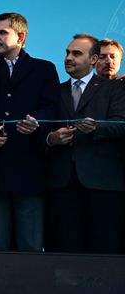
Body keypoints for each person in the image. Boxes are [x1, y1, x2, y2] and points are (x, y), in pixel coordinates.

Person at [0, 13, 59, 273]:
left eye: (2, 33)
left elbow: (51, 108)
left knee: (30, 247)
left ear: (20, 37)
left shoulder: (44, 69)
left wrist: (37, 122)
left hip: (29, 170)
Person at [46, 34, 125, 254]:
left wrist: (96, 128)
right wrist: (51, 138)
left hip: (103, 183)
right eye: (67, 53)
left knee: (104, 249)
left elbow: (121, 124)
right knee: (65, 249)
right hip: (62, 183)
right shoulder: (55, 90)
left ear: (93, 60)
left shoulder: (113, 88)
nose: (68, 58)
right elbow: (44, 128)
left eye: (76, 53)